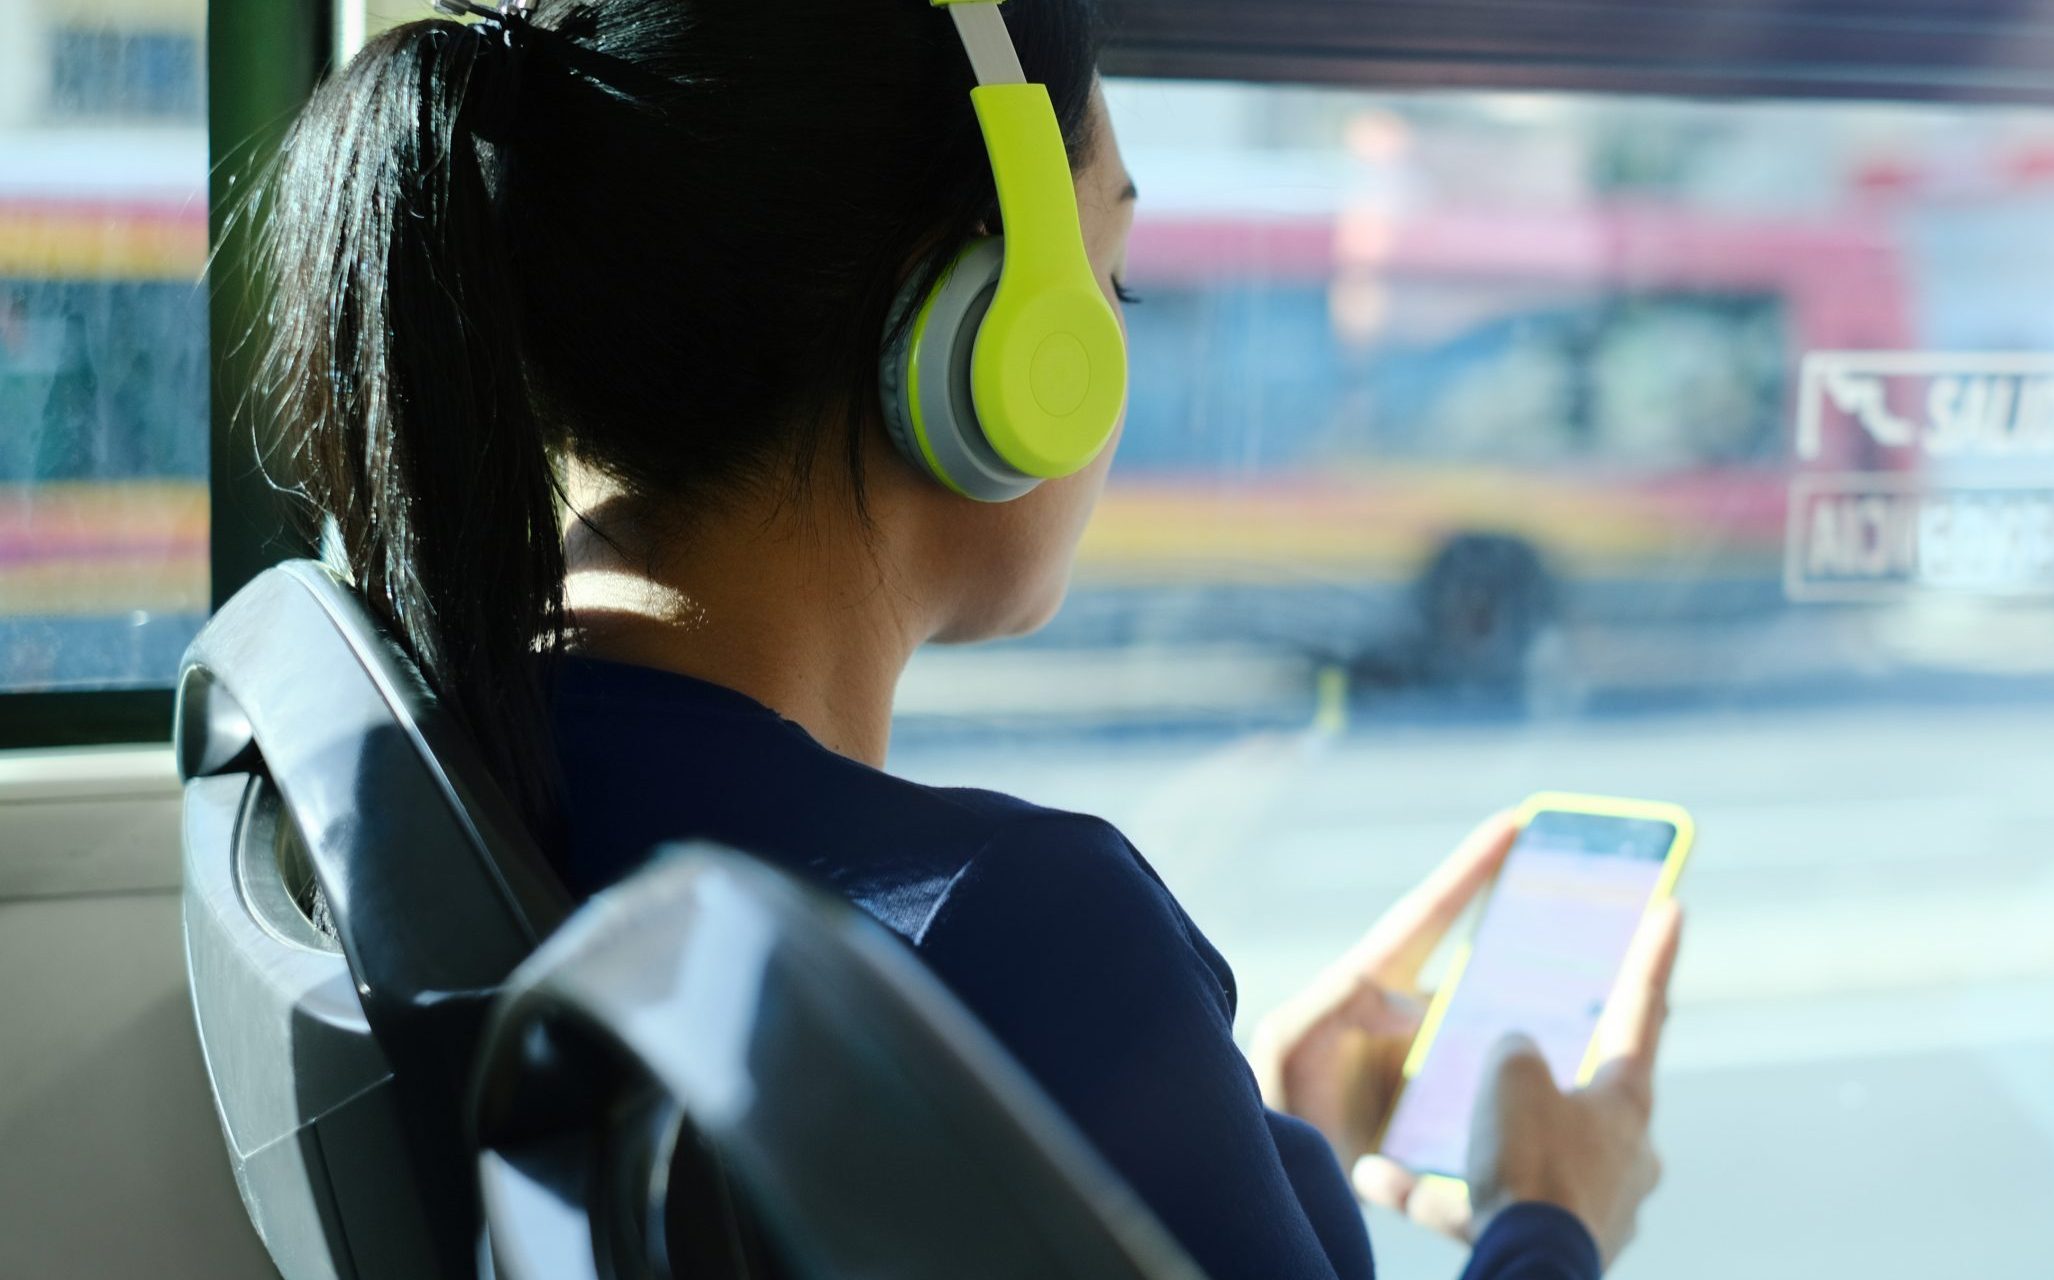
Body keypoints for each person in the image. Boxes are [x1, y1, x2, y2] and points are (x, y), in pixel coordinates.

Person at [251, 1, 1679, 1275]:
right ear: (986, 347)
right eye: (1107, 284)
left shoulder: (426, 768)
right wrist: (1542, 1220)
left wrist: (1247, 1140)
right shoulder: (1021, 928)